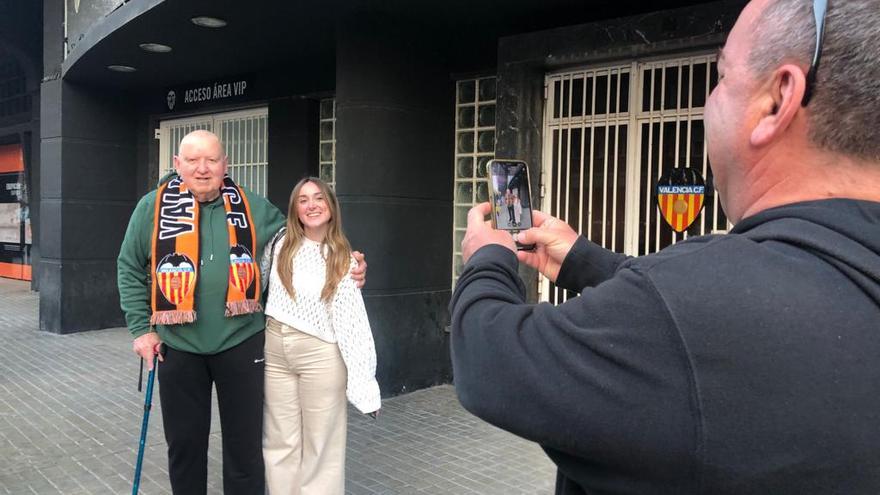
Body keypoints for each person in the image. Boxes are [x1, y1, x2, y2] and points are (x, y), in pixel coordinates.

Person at [450, 0, 880, 493]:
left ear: (779, 99)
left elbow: (491, 360)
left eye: (720, 77)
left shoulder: (697, 306)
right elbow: (689, 315)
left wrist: (488, 256)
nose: (707, 103)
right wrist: (582, 261)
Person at [117, 130, 367, 494]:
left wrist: (348, 261)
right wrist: (142, 330)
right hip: (177, 345)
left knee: (245, 448)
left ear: (225, 165)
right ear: (177, 165)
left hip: (242, 342)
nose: (202, 169)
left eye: (212, 160)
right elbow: (129, 266)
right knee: (185, 446)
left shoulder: (252, 206)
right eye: (193, 160)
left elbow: (299, 240)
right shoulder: (151, 208)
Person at [261, 177, 380, 495]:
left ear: (331, 206)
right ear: (294, 209)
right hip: (275, 349)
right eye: (303, 200)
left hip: (320, 354)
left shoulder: (344, 259)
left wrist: (364, 386)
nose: (311, 205)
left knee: (321, 449)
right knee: (279, 443)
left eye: (318, 199)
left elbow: (352, 324)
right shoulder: (279, 242)